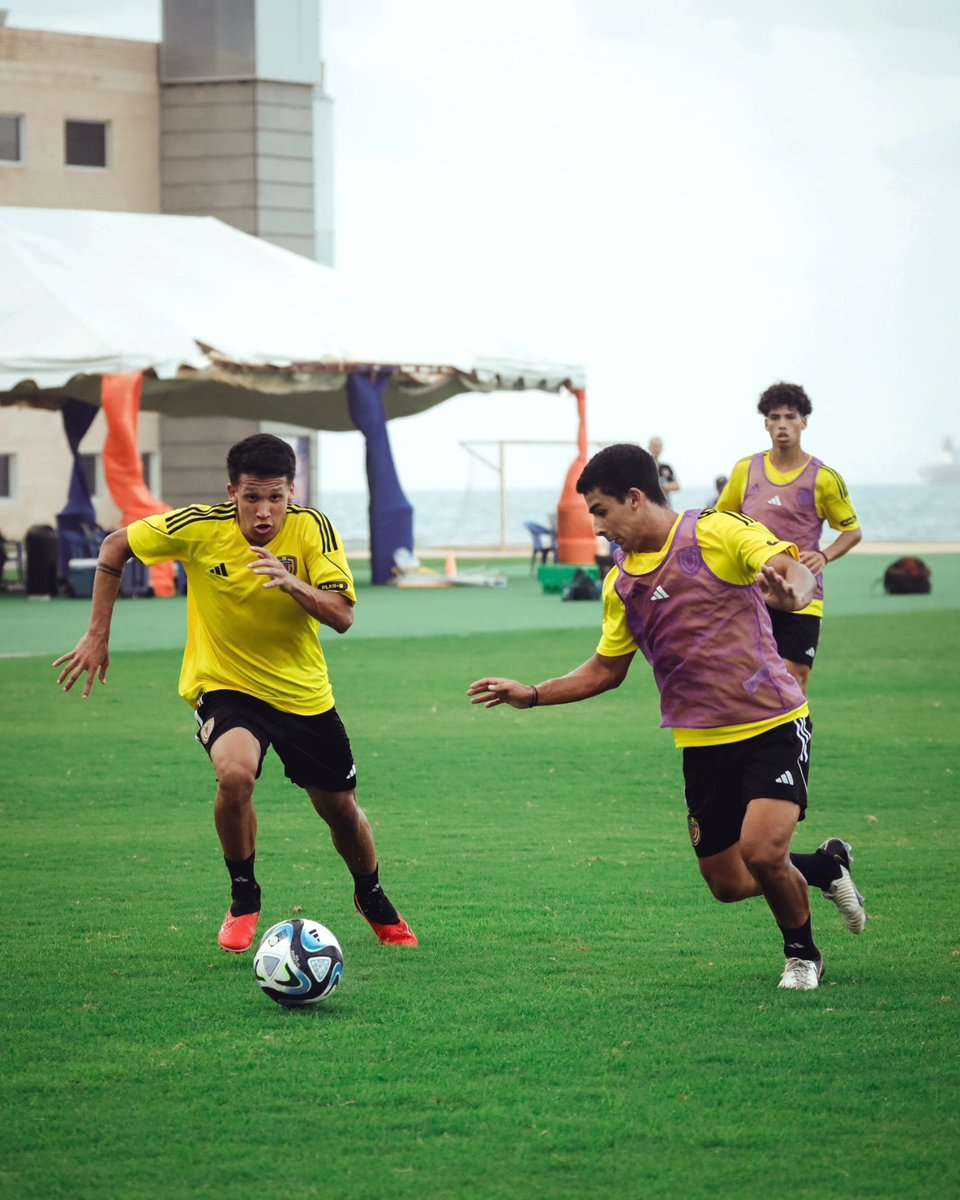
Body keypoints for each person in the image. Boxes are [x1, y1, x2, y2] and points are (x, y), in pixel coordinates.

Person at [468, 443, 866, 991]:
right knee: (727, 882)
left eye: (601, 511)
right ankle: (824, 867)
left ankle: (803, 955)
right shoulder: (621, 584)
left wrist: (793, 594)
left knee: (762, 851)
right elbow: (607, 670)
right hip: (701, 742)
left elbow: (790, 572)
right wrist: (532, 694)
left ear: (635, 498)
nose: (598, 527)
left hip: (773, 722)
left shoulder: (717, 532)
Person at [54, 433, 417, 954]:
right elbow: (115, 546)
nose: (265, 512)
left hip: (302, 693)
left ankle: (371, 893)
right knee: (235, 772)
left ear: (293, 492)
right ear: (232, 494)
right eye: (252, 498)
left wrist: (294, 585)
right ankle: (244, 896)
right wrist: (97, 634)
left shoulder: (314, 530)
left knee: (340, 810)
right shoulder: (200, 526)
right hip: (226, 686)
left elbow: (342, 616)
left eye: (276, 498)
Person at [716, 382, 861, 693]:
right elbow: (722, 522)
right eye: (775, 417)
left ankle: (797, 742)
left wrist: (824, 556)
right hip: (751, 592)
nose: (783, 425)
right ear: (766, 423)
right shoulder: (746, 470)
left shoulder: (824, 477)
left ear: (804, 422)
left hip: (802, 595)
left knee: (795, 679)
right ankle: (754, 739)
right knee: (748, 681)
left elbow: (852, 531)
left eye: (791, 417)